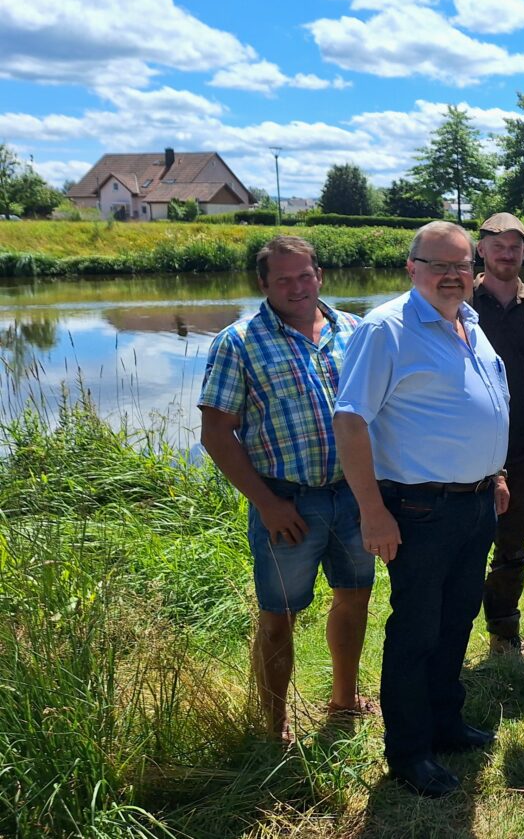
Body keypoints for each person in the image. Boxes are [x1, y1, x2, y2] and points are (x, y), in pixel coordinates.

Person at [333, 222, 510, 798]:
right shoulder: (387, 329)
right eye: (439, 265)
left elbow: (482, 407)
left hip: (476, 502)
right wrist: (372, 512)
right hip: (418, 509)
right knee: (416, 630)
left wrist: (496, 473)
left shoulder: (470, 324)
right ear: (412, 268)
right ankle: (409, 752)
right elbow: (351, 419)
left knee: (457, 619)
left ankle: (445, 723)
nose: (453, 275)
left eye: (462, 265)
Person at [198, 236, 374, 746]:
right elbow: (216, 433)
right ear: (264, 284)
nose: (296, 288)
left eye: (305, 276)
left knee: (354, 599)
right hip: (287, 502)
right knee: (278, 618)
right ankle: (275, 726)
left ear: (320, 274)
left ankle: (343, 700)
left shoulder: (355, 331)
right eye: (283, 280)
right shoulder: (238, 341)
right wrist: (268, 504)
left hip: (353, 495)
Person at [473, 212, 524, 659]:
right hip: (468, 453)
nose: (507, 253)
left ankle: (504, 634)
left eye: (515, 246)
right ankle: (451, 634)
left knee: (513, 549)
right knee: (464, 548)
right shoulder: (459, 304)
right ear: (480, 249)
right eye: (497, 245)